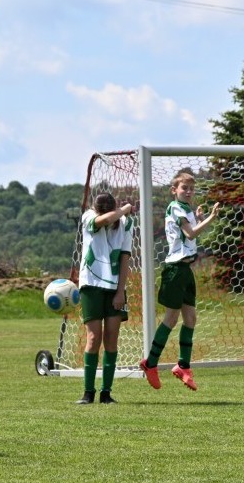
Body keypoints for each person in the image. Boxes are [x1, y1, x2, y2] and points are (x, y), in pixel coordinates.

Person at [139, 170, 221, 391]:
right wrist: (211, 219)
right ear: (174, 190)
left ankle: (183, 366)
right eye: (184, 188)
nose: (188, 192)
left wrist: (200, 218)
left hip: (186, 270)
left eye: (191, 189)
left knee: (191, 318)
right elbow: (191, 234)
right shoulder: (175, 207)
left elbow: (190, 234)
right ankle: (150, 363)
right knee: (171, 318)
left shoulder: (186, 210)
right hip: (175, 269)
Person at [76, 193, 134, 404]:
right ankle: (88, 392)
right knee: (93, 338)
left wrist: (120, 291)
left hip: (114, 288)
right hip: (91, 285)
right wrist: (124, 209)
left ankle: (106, 393)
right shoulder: (88, 216)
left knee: (111, 338)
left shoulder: (126, 223)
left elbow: (125, 257)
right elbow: (105, 220)